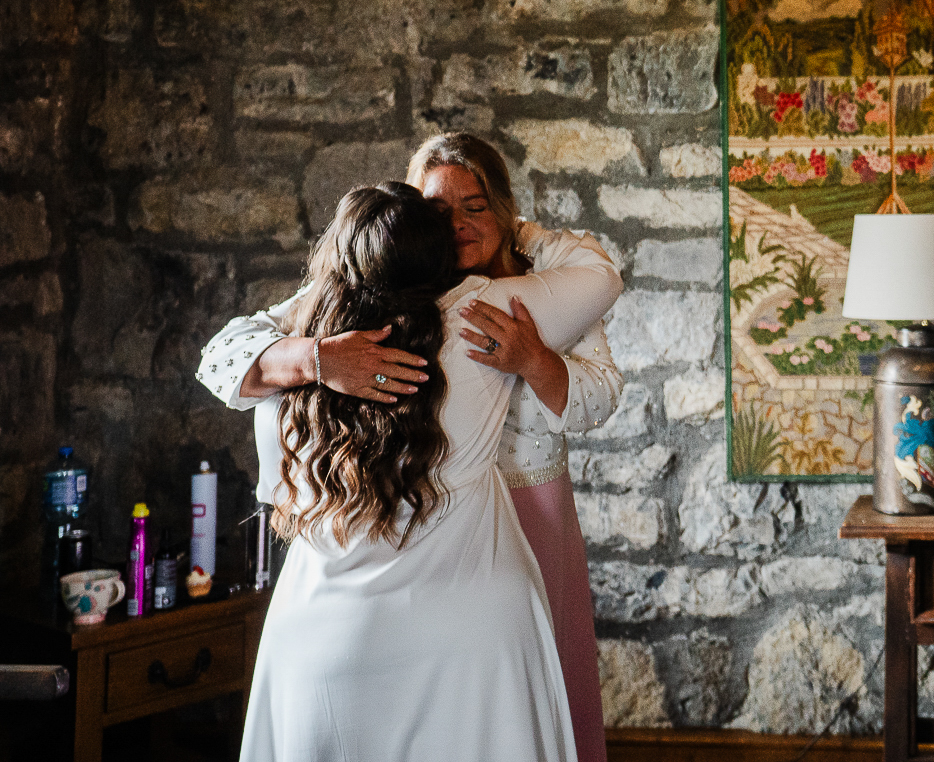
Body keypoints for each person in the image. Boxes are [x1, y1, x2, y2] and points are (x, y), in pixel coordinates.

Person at [199, 134, 621, 762]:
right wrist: (318, 358)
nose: (454, 226)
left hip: (514, 520)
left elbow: (598, 395)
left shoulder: (510, 293)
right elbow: (603, 274)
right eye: (436, 211)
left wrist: (533, 354)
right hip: (471, 590)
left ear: (504, 211)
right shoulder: (461, 311)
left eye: (474, 207)